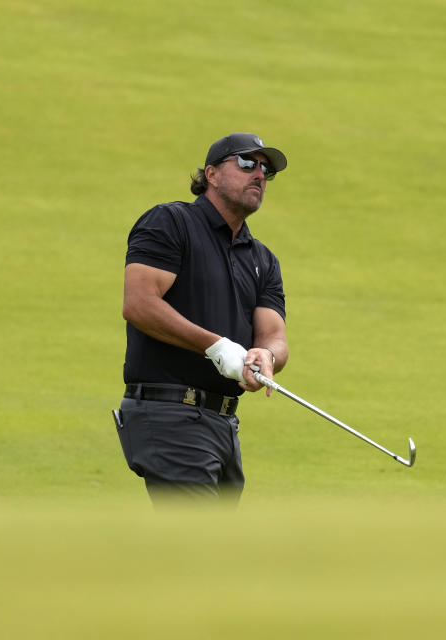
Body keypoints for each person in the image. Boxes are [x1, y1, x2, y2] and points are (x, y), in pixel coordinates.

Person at [115, 132, 290, 505]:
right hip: (169, 413)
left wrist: (267, 356)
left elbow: (274, 334)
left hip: (223, 424)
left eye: (266, 169)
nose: (259, 173)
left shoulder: (261, 259)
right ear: (210, 174)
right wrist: (215, 346)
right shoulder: (171, 223)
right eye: (247, 163)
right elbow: (139, 304)